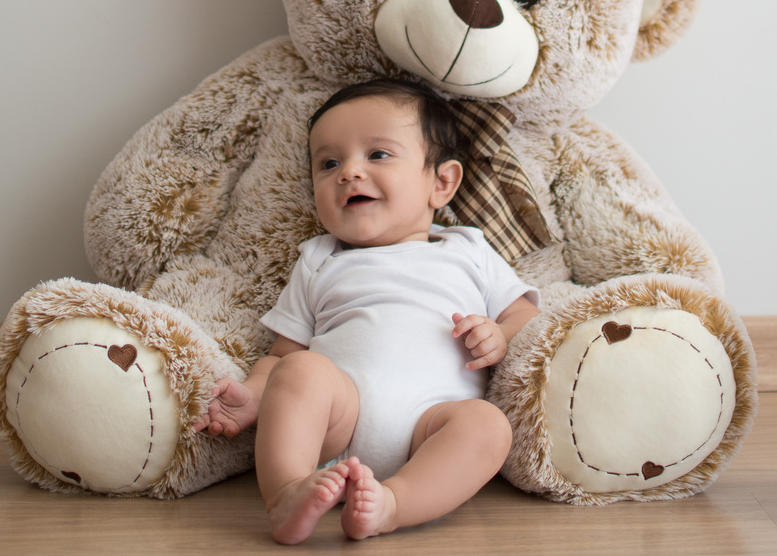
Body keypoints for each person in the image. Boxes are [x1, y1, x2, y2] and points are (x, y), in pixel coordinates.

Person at [194, 78, 540, 545]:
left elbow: (525, 318)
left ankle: (393, 504)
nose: (349, 172)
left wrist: (497, 335)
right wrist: (255, 396)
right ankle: (287, 492)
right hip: (338, 422)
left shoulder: (468, 250)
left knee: (488, 426)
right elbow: (281, 356)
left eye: (377, 154)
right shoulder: (320, 259)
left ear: (441, 182)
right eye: (329, 163)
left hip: (431, 428)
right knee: (301, 370)